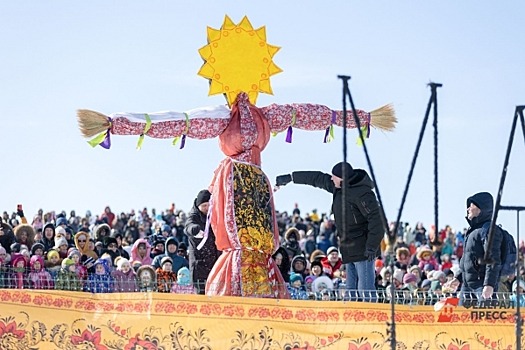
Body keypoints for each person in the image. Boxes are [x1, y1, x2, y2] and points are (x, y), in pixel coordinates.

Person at [276, 161, 383, 301]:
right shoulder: (338, 187)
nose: (331, 179)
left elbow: (377, 220)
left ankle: (371, 317)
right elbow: (317, 178)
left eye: (335, 176)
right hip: (348, 247)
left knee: (365, 288)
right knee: (350, 289)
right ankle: (350, 317)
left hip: (364, 248)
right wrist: (291, 177)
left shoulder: (362, 193)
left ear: (343, 178)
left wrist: (372, 246)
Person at [459, 192, 502, 303]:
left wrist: (489, 284)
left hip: (482, 287)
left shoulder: (489, 230)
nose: (468, 209)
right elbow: (467, 261)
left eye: (471, 205)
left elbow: (493, 259)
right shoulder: (471, 231)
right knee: (460, 320)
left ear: (481, 208)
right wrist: (458, 278)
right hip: (467, 287)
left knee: (484, 319)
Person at [184, 189, 221, 294]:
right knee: (200, 292)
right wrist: (193, 229)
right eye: (203, 206)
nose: (206, 208)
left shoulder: (215, 214)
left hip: (214, 259)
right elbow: (188, 226)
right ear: (198, 205)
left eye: (208, 205)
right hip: (198, 261)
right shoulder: (194, 215)